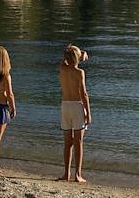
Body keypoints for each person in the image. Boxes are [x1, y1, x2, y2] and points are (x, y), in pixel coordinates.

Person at [58, 45, 92, 183]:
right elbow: (83, 94)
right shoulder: (80, 72)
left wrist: (75, 53)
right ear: (78, 58)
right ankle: (77, 174)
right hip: (77, 106)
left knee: (67, 143)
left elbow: (64, 61)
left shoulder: (62, 69)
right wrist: (88, 112)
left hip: (65, 106)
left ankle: (66, 173)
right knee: (78, 142)